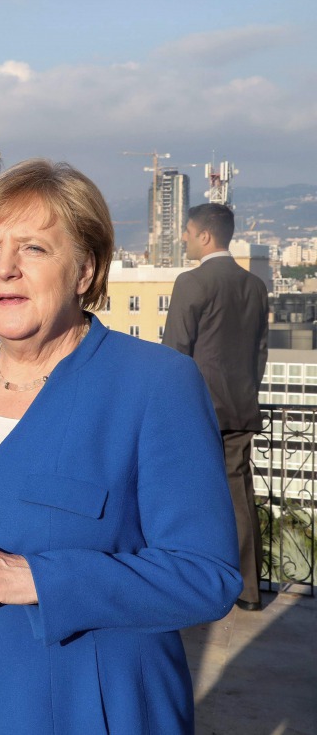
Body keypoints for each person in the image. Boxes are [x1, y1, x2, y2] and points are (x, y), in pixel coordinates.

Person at [0, 159, 241, 734]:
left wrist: (39, 579)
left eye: (34, 249)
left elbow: (206, 576)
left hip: (80, 710)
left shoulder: (156, 384)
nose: (5, 268)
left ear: (85, 270)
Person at [162, 202, 269, 611]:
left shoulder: (192, 282)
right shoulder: (255, 285)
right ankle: (249, 591)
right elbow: (260, 352)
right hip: (241, 407)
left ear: (205, 236)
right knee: (238, 495)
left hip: (197, 411)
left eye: (188, 232)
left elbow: (175, 353)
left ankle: (193, 586)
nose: (184, 238)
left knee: (185, 498)